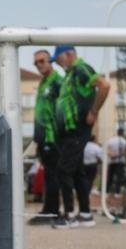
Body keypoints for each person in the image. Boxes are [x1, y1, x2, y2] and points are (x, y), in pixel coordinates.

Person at [51, 45, 109, 228]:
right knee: (76, 172)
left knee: (63, 170)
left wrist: (94, 111)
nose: (59, 64)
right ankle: (85, 213)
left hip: (77, 130)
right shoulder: (70, 74)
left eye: (59, 59)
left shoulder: (80, 69)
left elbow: (104, 85)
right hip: (69, 131)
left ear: (68, 54)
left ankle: (69, 215)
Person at [28, 49, 62, 224]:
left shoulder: (57, 81)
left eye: (42, 61)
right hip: (42, 137)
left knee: (53, 174)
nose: (39, 65)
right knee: (48, 174)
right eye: (36, 63)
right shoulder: (43, 82)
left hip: (52, 136)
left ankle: (53, 212)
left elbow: (62, 107)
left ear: (51, 61)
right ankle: (48, 209)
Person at [81, 136, 104, 208]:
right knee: (90, 180)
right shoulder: (96, 147)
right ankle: (87, 192)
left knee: (84, 179)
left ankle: (84, 191)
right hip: (92, 165)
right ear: (94, 140)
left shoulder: (83, 145)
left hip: (83, 165)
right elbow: (101, 157)